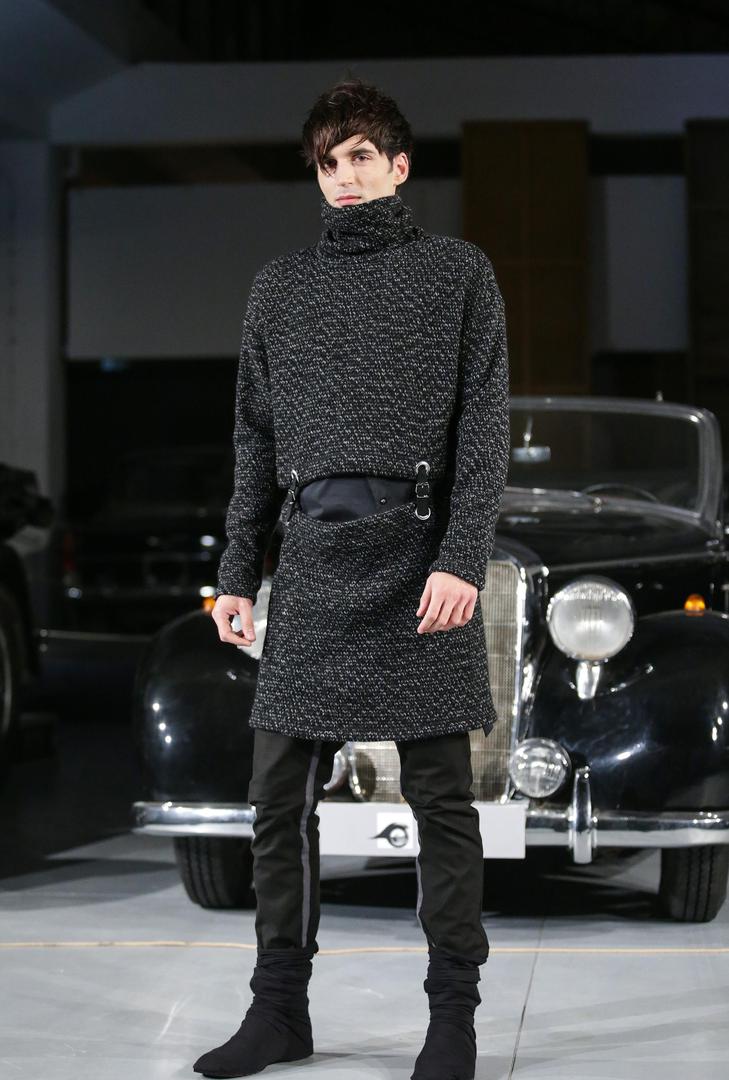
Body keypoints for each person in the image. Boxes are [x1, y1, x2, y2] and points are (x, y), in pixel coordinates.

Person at [196, 76, 510, 1080]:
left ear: (399, 165)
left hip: (419, 564)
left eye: (362, 156)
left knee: (443, 802)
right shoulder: (279, 287)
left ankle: (452, 1022)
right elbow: (253, 440)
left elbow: (484, 432)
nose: (344, 175)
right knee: (274, 800)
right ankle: (278, 1011)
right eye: (328, 162)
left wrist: (460, 558)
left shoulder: (458, 273)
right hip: (311, 566)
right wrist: (236, 571)